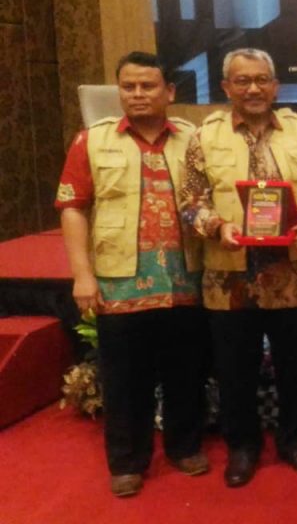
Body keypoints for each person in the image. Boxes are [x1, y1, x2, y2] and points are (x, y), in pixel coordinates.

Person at [56, 51, 208, 497]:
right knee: (125, 379)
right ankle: (127, 462)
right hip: (119, 283)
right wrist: (82, 276)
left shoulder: (194, 139)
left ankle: (184, 448)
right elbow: (72, 208)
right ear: (119, 91)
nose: (138, 94)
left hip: (185, 280)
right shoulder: (92, 140)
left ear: (169, 92)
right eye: (129, 87)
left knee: (186, 373)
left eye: (148, 86)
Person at [180, 48, 297, 487]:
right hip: (230, 276)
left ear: (276, 86)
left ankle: (293, 441)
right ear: (226, 87)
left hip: (293, 274)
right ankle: (243, 448)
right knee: (234, 370)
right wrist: (216, 226)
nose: (253, 88)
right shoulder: (204, 137)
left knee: (295, 366)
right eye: (242, 80)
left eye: (262, 79)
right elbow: (190, 202)